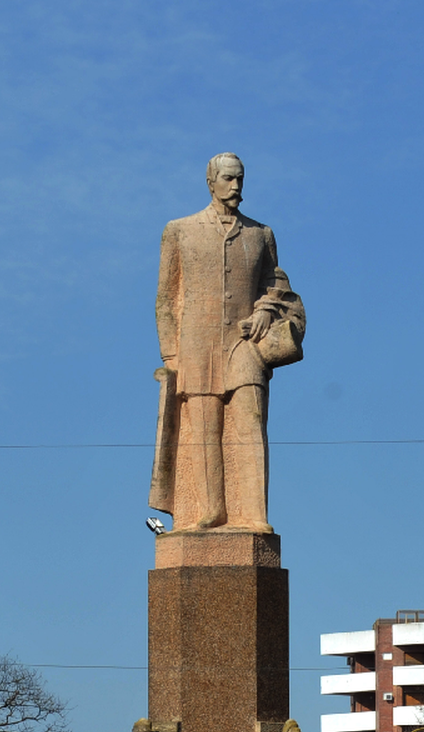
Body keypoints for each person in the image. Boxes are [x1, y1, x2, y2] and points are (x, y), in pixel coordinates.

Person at [151, 153, 306, 533]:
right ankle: (212, 509)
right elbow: (166, 299)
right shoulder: (180, 230)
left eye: (240, 179)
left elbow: (277, 286)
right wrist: (172, 354)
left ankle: (254, 513)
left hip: (244, 347)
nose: (236, 187)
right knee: (205, 432)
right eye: (228, 179)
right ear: (211, 182)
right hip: (195, 348)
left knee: (250, 427)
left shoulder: (260, 234)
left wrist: (265, 312)